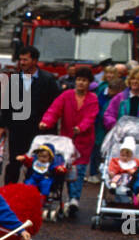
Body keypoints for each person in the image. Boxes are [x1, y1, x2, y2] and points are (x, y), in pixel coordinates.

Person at [0, 45, 61, 184]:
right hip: (18, 129)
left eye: (25, 60)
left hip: (38, 130)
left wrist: (51, 127)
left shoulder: (47, 80)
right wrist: (2, 126)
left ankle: (32, 192)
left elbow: (55, 105)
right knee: (14, 162)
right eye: (21, 60)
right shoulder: (14, 80)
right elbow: (6, 104)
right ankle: (10, 192)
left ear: (35, 61)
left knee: (36, 164)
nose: (22, 63)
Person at [39, 65, 98, 213]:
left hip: (83, 142)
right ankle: (54, 197)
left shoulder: (92, 99)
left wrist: (81, 127)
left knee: (78, 171)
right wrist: (46, 122)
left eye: (84, 80)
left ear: (89, 82)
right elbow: (54, 110)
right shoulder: (66, 95)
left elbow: (91, 116)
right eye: (79, 80)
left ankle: (74, 199)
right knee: (61, 168)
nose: (81, 83)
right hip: (66, 140)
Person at [91, 62, 127, 177]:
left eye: (112, 73)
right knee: (98, 148)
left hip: (113, 126)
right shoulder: (101, 88)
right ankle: (93, 172)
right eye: (108, 73)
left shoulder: (120, 95)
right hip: (100, 125)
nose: (110, 75)